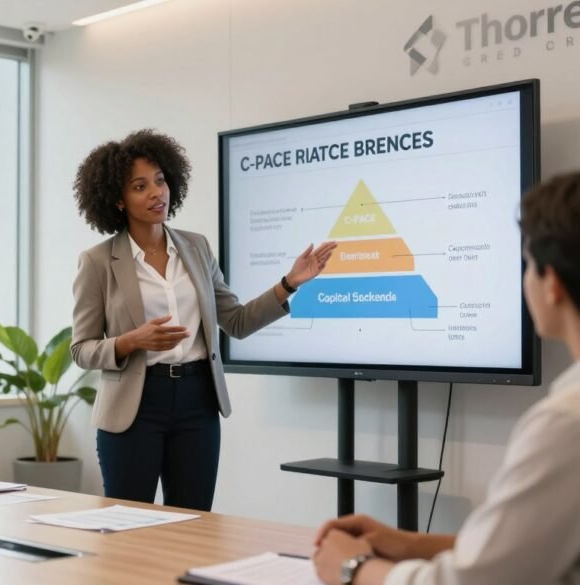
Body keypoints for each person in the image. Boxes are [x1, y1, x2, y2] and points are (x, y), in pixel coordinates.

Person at [313, 171, 580, 585]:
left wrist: (353, 570)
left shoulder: (567, 422)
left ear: (553, 286)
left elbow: (477, 582)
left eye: (527, 264)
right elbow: (516, 554)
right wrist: (408, 543)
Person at [70, 129, 336, 511]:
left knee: (194, 524)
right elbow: (82, 350)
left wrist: (289, 283)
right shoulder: (97, 261)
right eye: (140, 186)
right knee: (127, 526)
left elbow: (238, 321)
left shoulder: (196, 246)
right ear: (117, 199)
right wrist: (133, 340)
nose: (156, 193)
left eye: (160, 181)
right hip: (135, 406)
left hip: (197, 401)